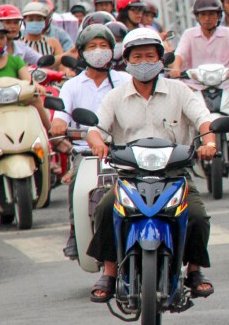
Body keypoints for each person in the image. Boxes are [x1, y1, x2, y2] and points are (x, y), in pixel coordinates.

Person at [85, 28, 217, 303]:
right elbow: (96, 128)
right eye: (137, 56)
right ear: (128, 61)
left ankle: (194, 271)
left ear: (160, 59)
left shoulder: (180, 91)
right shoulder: (115, 97)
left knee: (196, 215)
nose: (144, 62)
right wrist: (97, 142)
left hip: (174, 174)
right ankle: (109, 272)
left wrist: (209, 142)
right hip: (130, 176)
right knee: (106, 208)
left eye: (150, 56)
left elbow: (203, 120)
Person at [51, 24, 130, 258]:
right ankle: (76, 231)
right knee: (76, 183)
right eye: (92, 46)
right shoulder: (72, 85)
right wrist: (59, 123)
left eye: (104, 46)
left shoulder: (124, 80)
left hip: (121, 150)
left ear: (112, 50)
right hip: (85, 152)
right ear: (82, 52)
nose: (98, 50)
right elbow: (61, 115)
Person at [169, 0, 229, 87]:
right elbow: (180, 54)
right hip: (195, 86)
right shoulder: (189, 34)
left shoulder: (227, 33)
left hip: (225, 86)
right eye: (203, 14)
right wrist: (176, 68)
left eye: (211, 14)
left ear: (218, 16)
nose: (207, 19)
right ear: (197, 17)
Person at [0, 19, 52, 132]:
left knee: (35, 99)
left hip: (15, 103)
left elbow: (28, 80)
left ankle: (53, 136)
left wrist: (36, 86)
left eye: (1, 38)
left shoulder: (15, 61)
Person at [21, 1, 64, 67]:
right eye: (31, 20)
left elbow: (62, 66)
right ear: (24, 21)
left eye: (39, 20)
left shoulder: (53, 43)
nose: (35, 23)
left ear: (45, 22)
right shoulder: (19, 43)